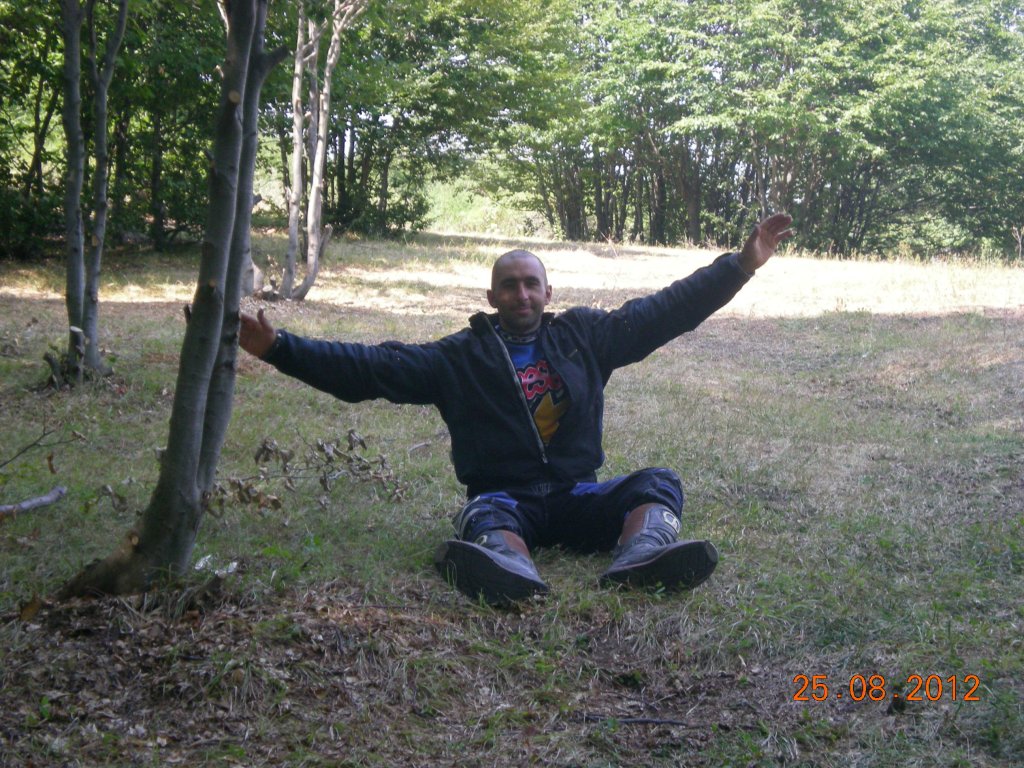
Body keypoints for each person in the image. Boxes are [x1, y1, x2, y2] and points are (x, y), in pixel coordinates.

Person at [239, 213, 793, 605]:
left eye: (531, 284)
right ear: (491, 298)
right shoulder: (457, 358)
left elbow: (667, 310)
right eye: (509, 286)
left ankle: (640, 558)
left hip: (578, 496)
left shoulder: (586, 336)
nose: (521, 294)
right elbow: (369, 369)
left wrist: (741, 265)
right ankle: (506, 567)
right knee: (483, 515)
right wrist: (279, 348)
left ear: (549, 294)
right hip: (505, 501)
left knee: (658, 483)